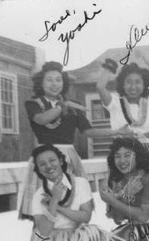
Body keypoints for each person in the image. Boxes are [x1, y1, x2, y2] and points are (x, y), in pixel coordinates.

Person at [23, 145, 122, 241]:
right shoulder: (39, 194)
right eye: (42, 164)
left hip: (78, 237)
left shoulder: (81, 183)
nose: (49, 166)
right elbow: (44, 230)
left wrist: (59, 208)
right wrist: (55, 200)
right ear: (38, 169)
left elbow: (85, 216)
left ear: (61, 160)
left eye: (52, 160)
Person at [19, 61, 110, 219]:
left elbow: (88, 131)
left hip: (69, 157)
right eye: (49, 79)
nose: (54, 84)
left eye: (58, 79)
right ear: (41, 82)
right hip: (44, 157)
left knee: (72, 205)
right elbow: (41, 119)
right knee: (44, 209)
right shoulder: (34, 104)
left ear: (64, 82)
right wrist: (63, 106)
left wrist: (116, 132)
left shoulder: (75, 105)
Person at [96, 55, 149, 206]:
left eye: (138, 82)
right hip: (122, 156)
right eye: (128, 82)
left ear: (145, 85)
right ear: (122, 85)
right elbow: (100, 86)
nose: (133, 86)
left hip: (147, 154)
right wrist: (110, 66)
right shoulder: (114, 103)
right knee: (124, 196)